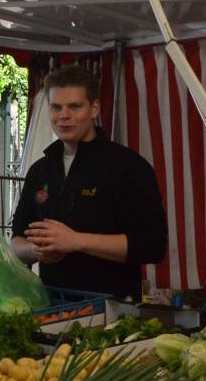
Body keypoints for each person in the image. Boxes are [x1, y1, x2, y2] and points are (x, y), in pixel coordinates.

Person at [11, 66, 168, 301]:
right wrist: (37, 251)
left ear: (94, 108)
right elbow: (16, 241)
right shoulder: (40, 171)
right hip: (52, 306)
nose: (64, 115)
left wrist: (76, 241)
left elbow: (152, 245)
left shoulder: (127, 167)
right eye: (56, 107)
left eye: (74, 106)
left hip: (112, 313)